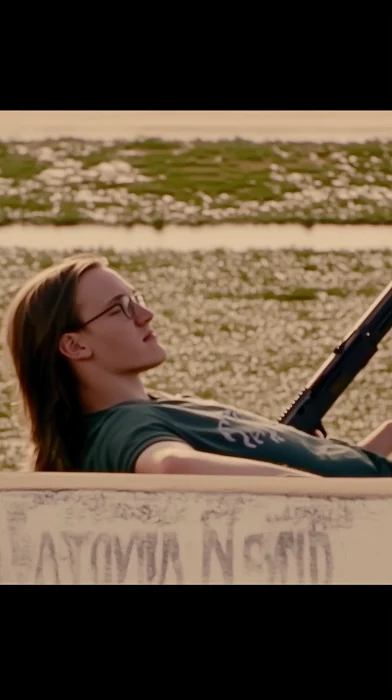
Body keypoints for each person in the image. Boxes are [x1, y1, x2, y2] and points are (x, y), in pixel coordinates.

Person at [2, 252, 392, 478]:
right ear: (74, 345)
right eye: (120, 309)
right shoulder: (123, 427)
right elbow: (169, 466)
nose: (146, 314)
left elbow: (337, 467)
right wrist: (337, 501)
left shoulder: (163, 409)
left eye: (135, 298)